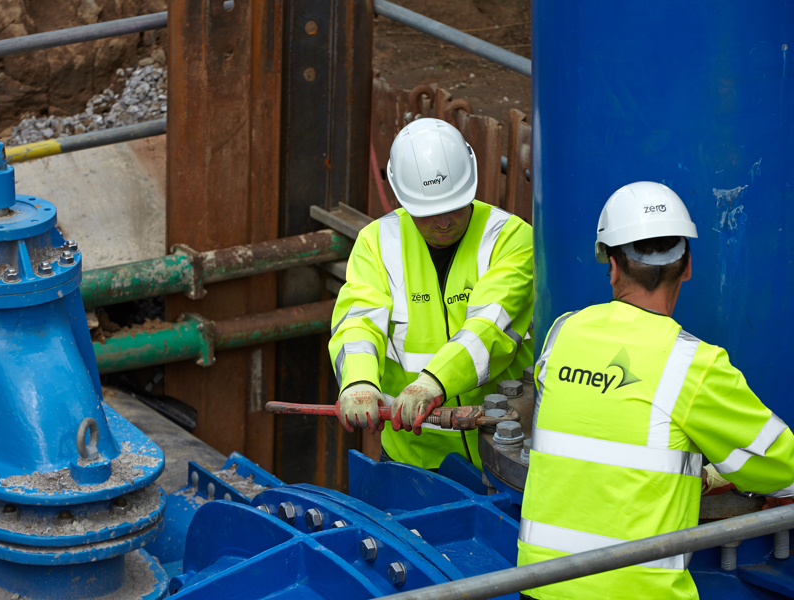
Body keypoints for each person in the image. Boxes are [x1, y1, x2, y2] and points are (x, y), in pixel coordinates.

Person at [516, 181, 794, 599]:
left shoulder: (560, 336)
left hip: (537, 586)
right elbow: (782, 467)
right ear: (687, 267)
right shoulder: (693, 365)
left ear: (611, 266)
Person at [328, 117, 534, 469]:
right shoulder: (377, 243)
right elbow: (358, 321)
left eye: (454, 207)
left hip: (500, 453)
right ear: (403, 199)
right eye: (428, 213)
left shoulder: (511, 238)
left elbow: (490, 328)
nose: (443, 222)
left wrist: (432, 383)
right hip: (411, 455)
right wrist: (358, 380)